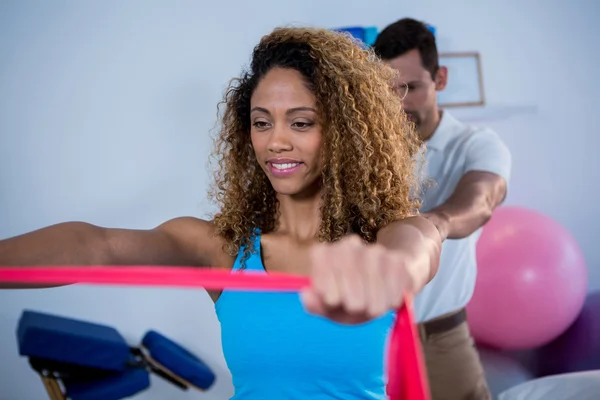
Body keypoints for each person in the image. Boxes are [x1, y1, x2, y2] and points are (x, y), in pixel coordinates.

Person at [0, 27, 443, 399]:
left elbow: (413, 254)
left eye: (301, 122)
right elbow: (96, 246)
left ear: (344, 132)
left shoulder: (393, 236)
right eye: (262, 121)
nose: (276, 142)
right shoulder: (223, 248)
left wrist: (383, 277)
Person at [372, 18, 512, 400]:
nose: (399, 102)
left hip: (438, 338)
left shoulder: (477, 144)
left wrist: (433, 225)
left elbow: (481, 200)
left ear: (441, 79)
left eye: (412, 87)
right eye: (389, 90)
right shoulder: (364, 152)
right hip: (363, 342)